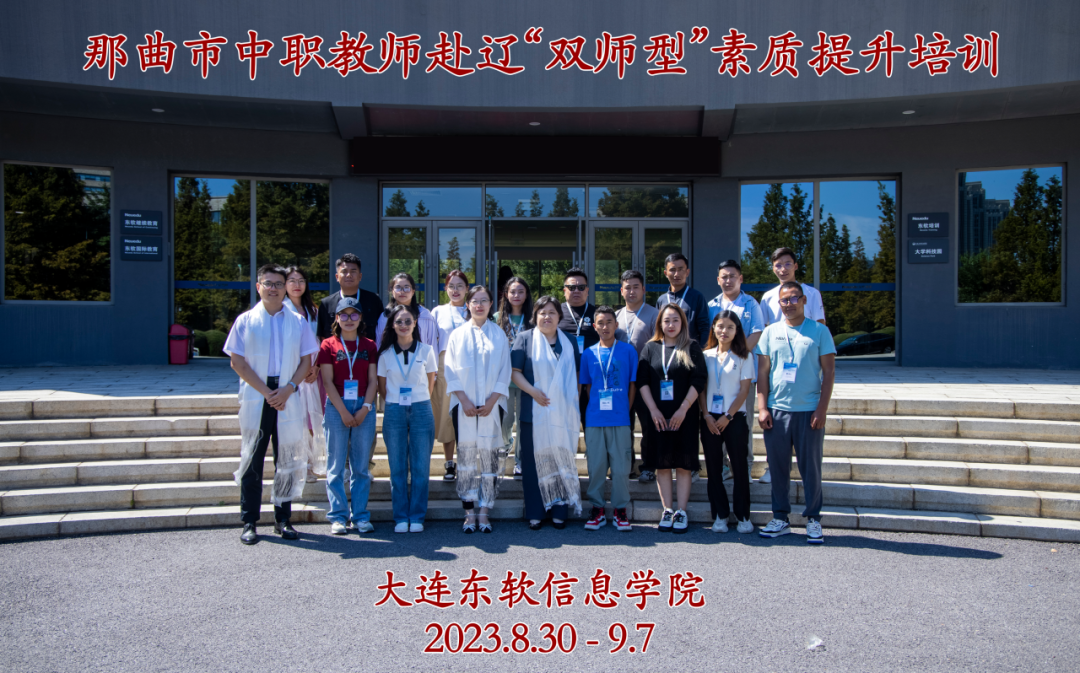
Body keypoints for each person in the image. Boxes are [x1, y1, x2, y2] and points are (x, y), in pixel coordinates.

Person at [224, 263, 319, 545]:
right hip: (258, 395)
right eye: (268, 283)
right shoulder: (245, 321)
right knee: (253, 458)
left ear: (285, 288)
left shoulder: (297, 321)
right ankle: (249, 520)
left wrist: (288, 389)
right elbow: (237, 362)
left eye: (279, 283)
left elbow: (306, 361)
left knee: (286, 458)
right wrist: (268, 392)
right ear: (258, 287)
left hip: (287, 394)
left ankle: (283, 519)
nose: (274, 288)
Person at [754, 281, 836, 544]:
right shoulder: (770, 332)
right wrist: (762, 407)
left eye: (793, 299)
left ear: (803, 300)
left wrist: (822, 409)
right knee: (778, 468)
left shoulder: (820, 331)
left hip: (808, 411)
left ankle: (813, 519)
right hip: (777, 410)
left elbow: (829, 373)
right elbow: (762, 373)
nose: (788, 304)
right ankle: (780, 517)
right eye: (784, 300)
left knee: (810, 468)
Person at [443, 285, 512, 534]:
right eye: (475, 301)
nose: (479, 305)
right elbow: (449, 369)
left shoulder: (499, 335)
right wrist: (463, 400)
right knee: (466, 458)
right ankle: (469, 512)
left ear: (491, 304)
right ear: (468, 304)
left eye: (484, 300)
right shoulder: (457, 335)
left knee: (489, 458)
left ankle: (484, 511)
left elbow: (505, 370)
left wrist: (492, 400)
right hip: (463, 406)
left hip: (492, 406)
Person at [511, 296, 583, 530]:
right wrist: (533, 392)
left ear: (559, 316)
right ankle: (536, 511)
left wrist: (571, 404)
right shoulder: (524, 338)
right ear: (535, 316)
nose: (547, 316)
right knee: (533, 464)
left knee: (560, 459)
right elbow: (514, 372)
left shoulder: (569, 341)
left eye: (552, 312)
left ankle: (559, 509)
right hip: (533, 411)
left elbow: (576, 375)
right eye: (542, 312)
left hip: (562, 414)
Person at [636, 304, 707, 534]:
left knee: (684, 465)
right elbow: (642, 381)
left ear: (683, 322)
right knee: (663, 465)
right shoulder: (650, 348)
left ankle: (681, 511)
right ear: (660, 323)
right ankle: (667, 509)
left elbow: (699, 380)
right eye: (666, 320)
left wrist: (684, 408)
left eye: (675, 320)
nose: (671, 325)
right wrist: (653, 410)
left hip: (684, 416)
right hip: (658, 416)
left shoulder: (691, 347)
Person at [758, 247, 826, 485]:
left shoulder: (811, 294)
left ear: (796, 266)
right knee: (775, 422)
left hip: (804, 361)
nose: (783, 269)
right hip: (777, 363)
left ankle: (809, 475)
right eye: (778, 265)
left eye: (787, 264)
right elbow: (764, 329)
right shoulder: (768, 297)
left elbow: (820, 324)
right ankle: (772, 467)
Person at [317, 297, 378, 535]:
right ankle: (338, 516)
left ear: (360, 318)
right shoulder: (328, 345)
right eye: (344, 314)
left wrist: (365, 408)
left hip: (363, 405)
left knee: (360, 467)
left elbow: (373, 381)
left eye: (354, 315)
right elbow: (327, 382)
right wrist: (343, 411)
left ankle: (360, 516)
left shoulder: (369, 345)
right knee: (335, 466)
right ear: (337, 318)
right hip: (336, 406)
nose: (349, 319)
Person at [377, 304, 438, 533]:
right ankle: (401, 516)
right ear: (392, 325)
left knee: (421, 466)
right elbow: (382, 388)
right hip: (394, 409)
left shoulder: (427, 351)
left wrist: (418, 399)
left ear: (415, 323)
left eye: (408, 321)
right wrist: (396, 401)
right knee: (397, 467)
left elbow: (431, 382)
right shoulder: (384, 355)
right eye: (399, 321)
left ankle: (417, 516)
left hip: (421, 408)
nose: (403, 325)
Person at [706, 259, 764, 483]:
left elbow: (757, 332)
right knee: (716, 416)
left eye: (732, 276)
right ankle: (722, 465)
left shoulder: (751, 304)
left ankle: (744, 465)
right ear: (717, 280)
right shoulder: (712, 305)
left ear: (740, 279)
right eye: (724, 277)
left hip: (741, 373)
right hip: (716, 373)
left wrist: (737, 356)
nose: (728, 280)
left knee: (742, 421)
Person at [579, 305, 637, 532]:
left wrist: (625, 410)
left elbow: (632, 385)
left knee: (621, 469)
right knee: (596, 468)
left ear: (616, 324)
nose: (605, 327)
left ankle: (621, 510)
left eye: (609, 322)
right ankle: (598, 509)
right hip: (595, 419)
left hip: (620, 418)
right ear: (594, 326)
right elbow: (588, 387)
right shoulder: (588, 353)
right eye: (600, 323)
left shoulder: (628, 351)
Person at [700, 311, 755, 534]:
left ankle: (743, 516)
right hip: (710, 419)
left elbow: (744, 391)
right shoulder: (705, 355)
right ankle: (720, 515)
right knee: (713, 469)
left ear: (737, 331)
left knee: (739, 468)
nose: (724, 331)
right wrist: (706, 415)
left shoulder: (744, 356)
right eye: (721, 326)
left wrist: (728, 416)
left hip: (734, 418)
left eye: (730, 327)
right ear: (714, 328)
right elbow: (701, 389)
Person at [283, 265, 327, 483]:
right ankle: (297, 464)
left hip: (313, 373)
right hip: (291, 373)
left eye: (301, 280)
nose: (297, 285)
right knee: (295, 418)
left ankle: (312, 462)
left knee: (313, 419)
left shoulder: (314, 311)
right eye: (292, 280)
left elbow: (322, 340)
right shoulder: (281, 310)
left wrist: (315, 366)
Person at [616, 269, 659, 484]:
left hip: (646, 379)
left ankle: (648, 467)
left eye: (636, 287)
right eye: (627, 287)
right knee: (625, 425)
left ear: (643, 289)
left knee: (648, 425)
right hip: (621, 380)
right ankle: (627, 466)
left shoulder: (654, 314)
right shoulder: (616, 316)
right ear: (621, 291)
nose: (631, 291)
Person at [430, 270, 470, 482]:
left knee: (466, 413)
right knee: (446, 414)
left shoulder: (473, 309)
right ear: (445, 289)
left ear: (467, 289)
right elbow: (431, 341)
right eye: (451, 286)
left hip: (469, 366)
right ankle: (449, 463)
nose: (455, 290)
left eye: (460, 286)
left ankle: (465, 461)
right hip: (444, 364)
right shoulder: (438, 312)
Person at [494, 277, 534, 480]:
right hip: (503, 379)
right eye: (512, 291)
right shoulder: (496, 318)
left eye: (520, 291)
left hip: (526, 379)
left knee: (522, 421)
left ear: (526, 295)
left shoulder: (532, 318)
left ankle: (520, 461)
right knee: (505, 420)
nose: (516, 295)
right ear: (506, 294)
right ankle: (506, 443)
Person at [317, 253, 383, 342]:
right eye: (344, 271)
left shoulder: (374, 301)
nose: (349, 275)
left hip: (368, 351)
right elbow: (322, 337)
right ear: (337, 277)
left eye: (353, 271)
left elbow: (382, 332)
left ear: (360, 276)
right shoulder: (326, 304)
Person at [374, 272, 444, 348]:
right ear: (392, 291)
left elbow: (432, 345)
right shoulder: (385, 316)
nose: (402, 291)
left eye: (406, 287)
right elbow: (379, 345)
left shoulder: (424, 315)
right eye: (398, 288)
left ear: (413, 291)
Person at [655, 253, 710, 345]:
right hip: (666, 350)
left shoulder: (697, 297)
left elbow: (704, 328)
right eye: (672, 270)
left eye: (680, 269)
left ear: (687, 272)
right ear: (665, 273)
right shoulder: (661, 300)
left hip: (690, 349)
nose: (676, 274)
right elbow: (657, 328)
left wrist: (699, 350)